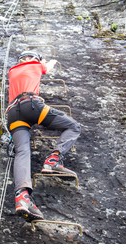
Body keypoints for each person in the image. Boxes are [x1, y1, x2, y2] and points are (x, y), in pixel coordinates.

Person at [7, 51, 81, 222]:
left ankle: (22, 198)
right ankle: (53, 160)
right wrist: (51, 60)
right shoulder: (35, 64)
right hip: (31, 105)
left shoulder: (13, 70)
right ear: (34, 59)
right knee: (73, 126)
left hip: (13, 114)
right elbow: (47, 68)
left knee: (22, 152)